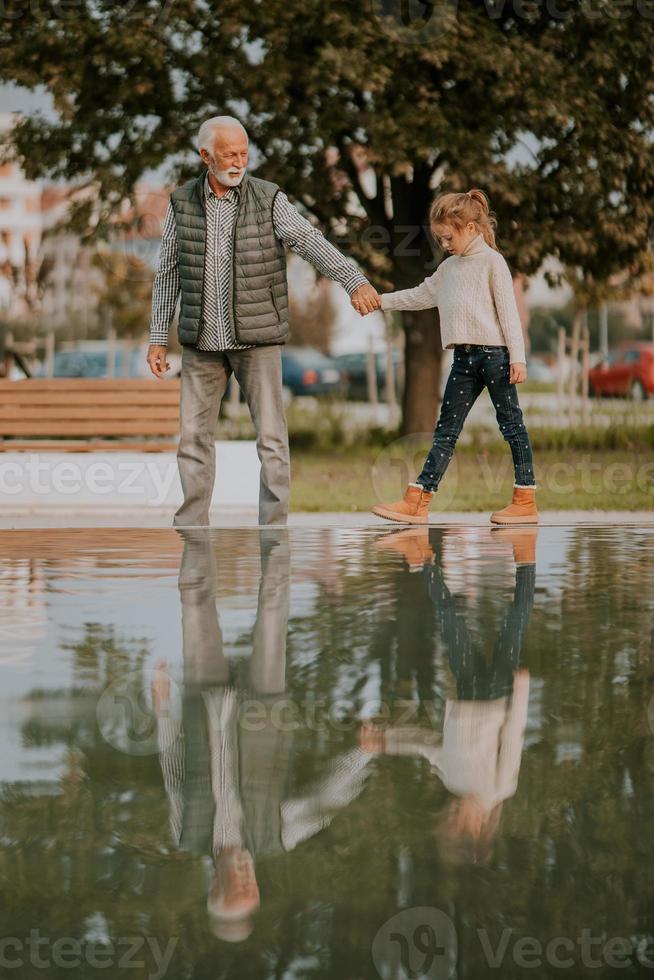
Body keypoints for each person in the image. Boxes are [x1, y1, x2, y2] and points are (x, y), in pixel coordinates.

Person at [147, 115, 380, 527]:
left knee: (271, 439)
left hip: (258, 339)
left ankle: (273, 528)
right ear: (205, 156)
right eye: (229, 154)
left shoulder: (268, 198)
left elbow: (309, 242)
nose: (239, 162)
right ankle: (191, 527)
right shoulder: (181, 203)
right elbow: (168, 270)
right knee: (193, 439)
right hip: (200, 340)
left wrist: (353, 280)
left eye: (243, 153)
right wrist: (157, 337)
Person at [371, 189, 538, 526]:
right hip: (463, 360)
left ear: (472, 228)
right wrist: (380, 301)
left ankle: (525, 500)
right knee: (445, 431)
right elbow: (420, 295)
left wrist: (517, 359)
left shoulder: (493, 262)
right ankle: (418, 500)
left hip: (496, 357)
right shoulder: (449, 269)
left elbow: (508, 314)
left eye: (449, 236)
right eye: (440, 238)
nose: (444, 244)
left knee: (512, 427)